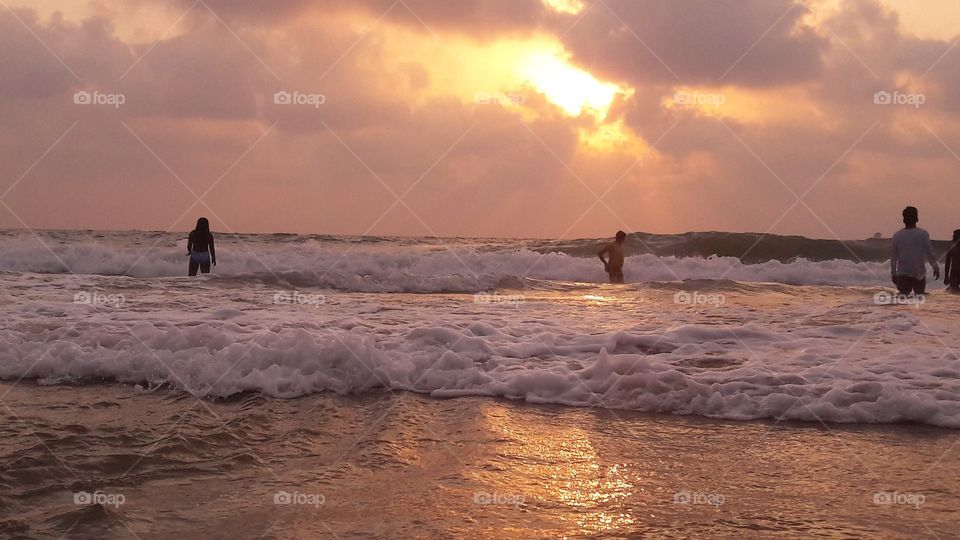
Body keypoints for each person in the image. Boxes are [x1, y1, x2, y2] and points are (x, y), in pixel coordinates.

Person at [890, 206, 938, 295]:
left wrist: (893, 273)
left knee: (902, 299)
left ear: (903, 220)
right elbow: (930, 253)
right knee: (919, 298)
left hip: (903, 274)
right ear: (917, 219)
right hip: (919, 273)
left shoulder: (897, 235)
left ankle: (897, 309)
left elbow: (893, 257)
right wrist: (935, 267)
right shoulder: (923, 234)